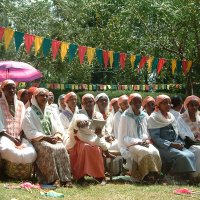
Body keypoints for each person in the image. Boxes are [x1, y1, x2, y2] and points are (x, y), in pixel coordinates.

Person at [22, 88, 72, 187]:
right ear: (35, 97)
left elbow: (59, 125)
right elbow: (29, 130)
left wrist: (57, 135)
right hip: (38, 141)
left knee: (62, 148)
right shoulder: (29, 111)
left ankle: (66, 179)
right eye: (41, 95)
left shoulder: (51, 110)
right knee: (48, 148)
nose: (44, 97)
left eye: (46, 95)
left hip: (53, 139)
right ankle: (53, 179)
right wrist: (45, 138)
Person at [148, 95, 196, 180]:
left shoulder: (171, 116)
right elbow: (155, 138)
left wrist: (180, 143)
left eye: (169, 103)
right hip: (162, 146)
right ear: (159, 104)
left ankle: (184, 176)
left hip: (175, 144)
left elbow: (176, 133)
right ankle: (174, 176)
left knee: (190, 154)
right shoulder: (153, 118)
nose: (168, 105)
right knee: (182, 156)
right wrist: (171, 144)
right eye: (165, 103)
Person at [118, 93, 161, 183]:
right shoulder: (125, 116)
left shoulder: (144, 116)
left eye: (139, 102)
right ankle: (144, 176)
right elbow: (123, 137)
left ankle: (154, 175)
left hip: (144, 142)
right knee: (144, 152)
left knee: (155, 151)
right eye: (135, 102)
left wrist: (146, 140)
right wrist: (138, 142)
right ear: (130, 103)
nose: (137, 104)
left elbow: (146, 133)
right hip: (130, 144)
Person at [0, 80, 37, 179]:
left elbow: (25, 122)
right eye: (8, 88)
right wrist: (12, 138)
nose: (11, 90)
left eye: (13, 88)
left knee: (30, 152)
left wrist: (20, 137)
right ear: (3, 90)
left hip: (20, 136)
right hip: (4, 135)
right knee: (9, 150)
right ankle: (7, 174)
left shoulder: (20, 104)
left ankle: (23, 175)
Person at [68, 93, 107, 185]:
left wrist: (99, 133)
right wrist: (78, 126)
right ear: (82, 104)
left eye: (90, 101)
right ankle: (80, 177)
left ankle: (99, 176)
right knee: (85, 147)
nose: (88, 104)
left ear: (94, 103)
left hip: (94, 139)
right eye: (85, 102)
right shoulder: (78, 114)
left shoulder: (98, 115)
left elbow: (102, 132)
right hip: (79, 140)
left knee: (97, 149)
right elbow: (72, 130)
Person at [177, 95, 200, 180]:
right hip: (188, 144)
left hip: (198, 143)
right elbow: (181, 133)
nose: (194, 107)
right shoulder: (181, 118)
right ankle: (195, 176)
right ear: (187, 106)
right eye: (192, 105)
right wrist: (193, 136)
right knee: (198, 150)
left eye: (196, 105)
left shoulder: (199, 118)